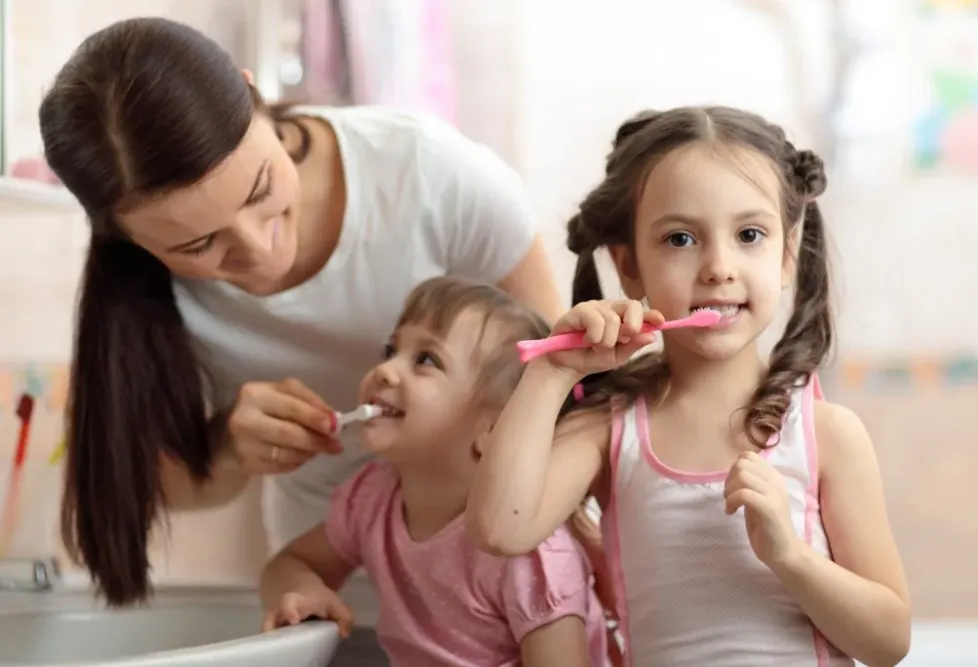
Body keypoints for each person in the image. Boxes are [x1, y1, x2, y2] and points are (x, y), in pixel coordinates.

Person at [38, 15, 568, 618]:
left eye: (260, 189)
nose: (261, 252)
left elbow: (561, 390)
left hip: (503, 575)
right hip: (334, 586)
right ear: (126, 239)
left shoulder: (433, 176)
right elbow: (168, 485)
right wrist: (232, 447)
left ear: (253, 97)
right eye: (197, 245)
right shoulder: (140, 293)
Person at [467, 107, 912, 666]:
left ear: (787, 254)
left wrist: (791, 558)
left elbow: (888, 642)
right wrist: (554, 372)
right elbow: (499, 529)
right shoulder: (611, 430)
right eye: (680, 239)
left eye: (750, 234)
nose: (718, 267)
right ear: (629, 267)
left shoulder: (828, 434)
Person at [259, 276, 608, 666]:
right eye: (390, 349)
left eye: (426, 359)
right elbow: (289, 564)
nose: (387, 370)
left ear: (495, 430)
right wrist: (301, 590)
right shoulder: (371, 498)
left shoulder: (529, 553)